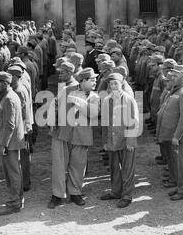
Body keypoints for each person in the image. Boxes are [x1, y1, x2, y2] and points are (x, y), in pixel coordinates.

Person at [47, 68, 100, 209]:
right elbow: (54, 104)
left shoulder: (95, 96)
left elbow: (94, 113)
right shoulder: (67, 90)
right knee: (59, 165)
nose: (95, 82)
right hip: (62, 134)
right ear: (83, 81)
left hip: (82, 135)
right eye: (92, 79)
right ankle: (57, 195)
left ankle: (75, 193)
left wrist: (78, 101)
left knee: (78, 165)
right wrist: (52, 122)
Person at [100, 73, 140, 208]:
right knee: (114, 168)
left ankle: (127, 195)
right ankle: (116, 191)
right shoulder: (107, 100)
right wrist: (105, 141)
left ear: (122, 83)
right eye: (111, 84)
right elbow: (104, 122)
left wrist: (130, 141)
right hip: (112, 140)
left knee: (127, 169)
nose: (113, 86)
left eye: (116, 83)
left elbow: (134, 122)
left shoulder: (129, 99)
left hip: (125, 140)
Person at [156, 65, 183, 201]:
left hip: (180, 137)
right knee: (175, 163)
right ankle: (179, 187)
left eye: (175, 75)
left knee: (182, 165)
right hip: (173, 135)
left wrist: (177, 136)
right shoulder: (175, 91)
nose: (171, 77)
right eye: (171, 75)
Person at [0, 72, 26, 216]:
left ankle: (15, 203)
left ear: (6, 83)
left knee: (12, 173)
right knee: (14, 172)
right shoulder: (8, 97)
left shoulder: (9, 99)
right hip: (11, 142)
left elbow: (10, 125)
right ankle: (18, 199)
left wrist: (3, 144)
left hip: (10, 143)